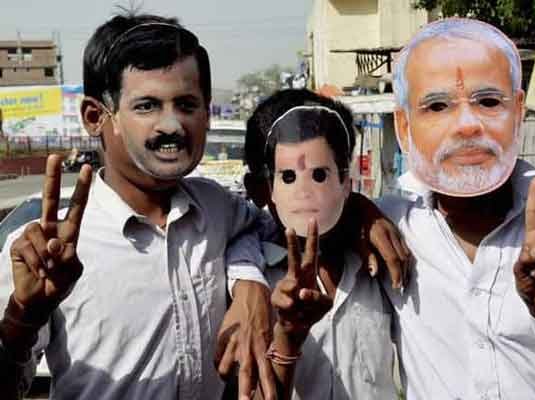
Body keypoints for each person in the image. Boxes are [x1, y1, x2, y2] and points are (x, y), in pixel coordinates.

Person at [0, 12, 275, 400]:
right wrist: (22, 319)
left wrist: (249, 281)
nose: (171, 126)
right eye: (147, 106)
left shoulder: (218, 209)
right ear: (96, 117)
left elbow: (266, 229)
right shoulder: (45, 253)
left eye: (186, 104)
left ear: (207, 112)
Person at [379, 17, 535, 399]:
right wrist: (359, 215)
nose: (467, 126)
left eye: (488, 102)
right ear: (403, 126)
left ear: (518, 112)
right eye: (437, 106)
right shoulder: (392, 226)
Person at [233, 89, 400, 399]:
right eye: (288, 178)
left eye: (321, 175)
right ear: (259, 189)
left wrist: (364, 210)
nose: (306, 194)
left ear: (346, 180)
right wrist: (287, 339)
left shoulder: (378, 258)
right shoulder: (244, 279)